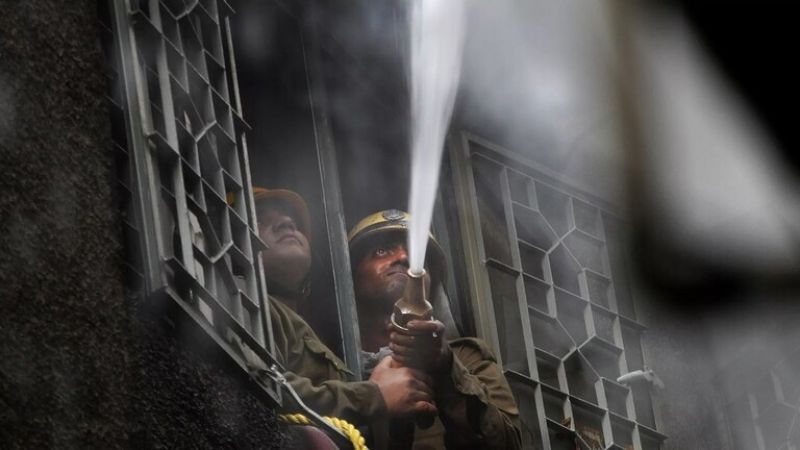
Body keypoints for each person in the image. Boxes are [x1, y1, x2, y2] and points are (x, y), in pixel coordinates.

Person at [233, 188, 437, 437]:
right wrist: (373, 396)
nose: (287, 222)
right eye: (259, 219)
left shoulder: (316, 341)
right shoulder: (239, 299)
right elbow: (258, 386)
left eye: (293, 221)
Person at [348, 210, 522, 450]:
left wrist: (446, 371)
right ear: (351, 277)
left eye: (418, 257)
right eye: (381, 251)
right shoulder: (328, 359)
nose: (404, 257)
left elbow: (508, 444)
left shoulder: (466, 359)